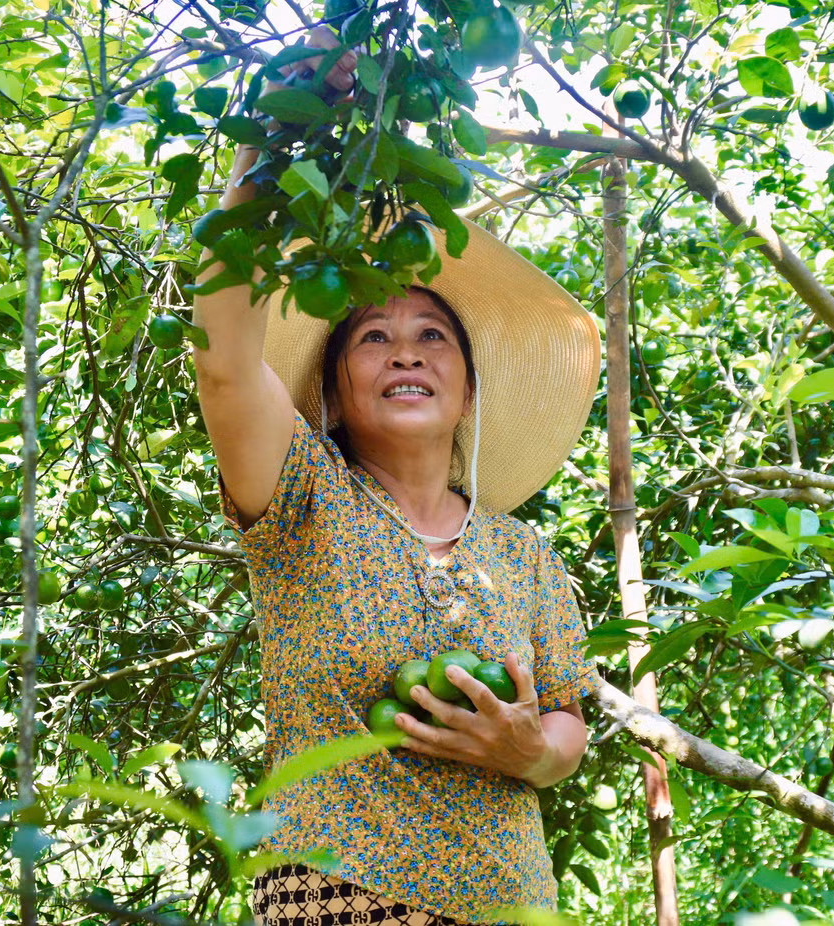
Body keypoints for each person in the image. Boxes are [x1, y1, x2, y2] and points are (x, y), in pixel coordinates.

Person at [191, 30, 601, 926]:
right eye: (373, 337)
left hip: (513, 906)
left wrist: (526, 751)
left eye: (432, 337)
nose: (404, 353)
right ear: (333, 387)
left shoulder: (520, 551)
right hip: (337, 898)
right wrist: (272, 148)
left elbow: (567, 723)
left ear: (467, 392)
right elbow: (225, 360)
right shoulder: (306, 497)